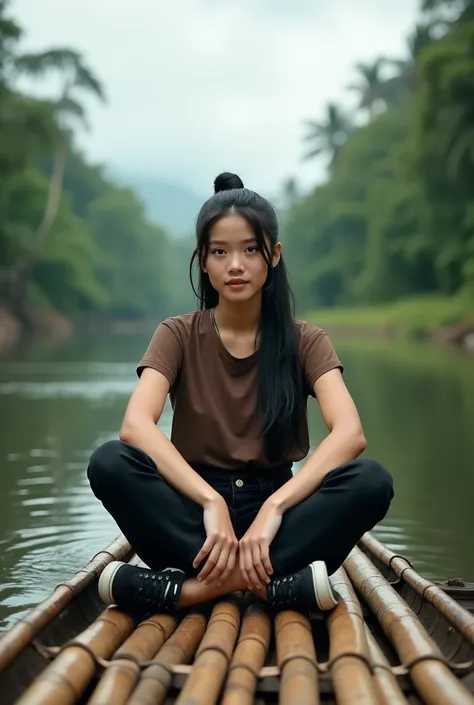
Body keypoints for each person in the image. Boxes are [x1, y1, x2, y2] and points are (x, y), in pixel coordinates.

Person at [87, 172, 394, 618]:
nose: (235, 264)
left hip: (279, 523)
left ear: (273, 255)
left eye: (250, 249)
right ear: (204, 261)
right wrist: (210, 502)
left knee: (370, 481)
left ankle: (191, 593)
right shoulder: (176, 334)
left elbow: (350, 434)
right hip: (193, 521)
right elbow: (136, 426)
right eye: (220, 252)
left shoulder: (306, 340)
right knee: (109, 462)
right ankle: (274, 589)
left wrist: (274, 508)